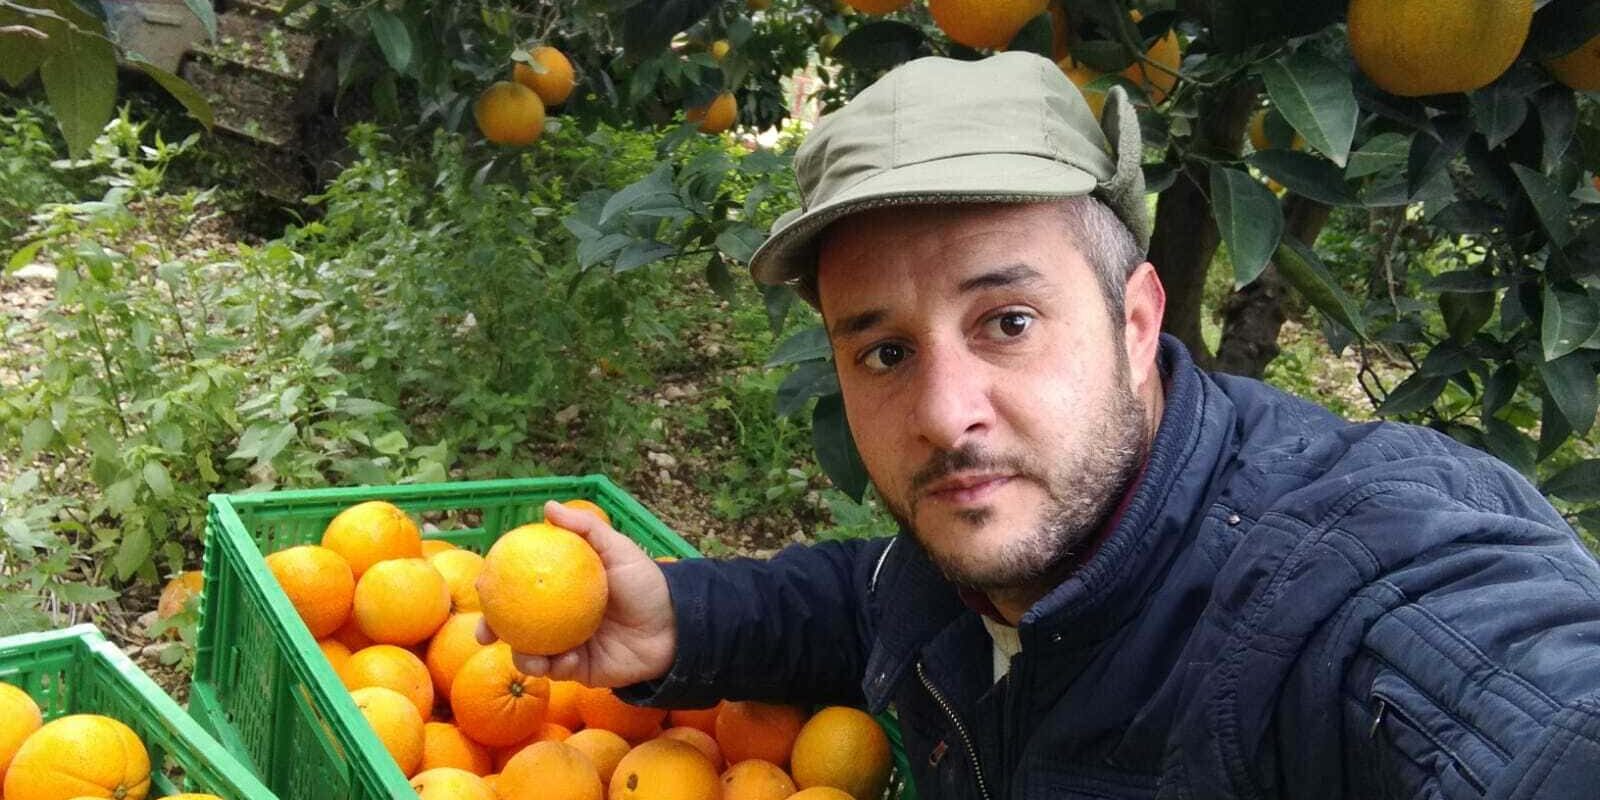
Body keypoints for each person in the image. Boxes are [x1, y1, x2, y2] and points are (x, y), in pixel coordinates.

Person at [482, 53, 1600, 798]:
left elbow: (1518, 703)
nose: (944, 415)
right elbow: (875, 601)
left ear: (1136, 321)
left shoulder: (1347, 590)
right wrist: (678, 618)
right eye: (884, 352)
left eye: (1007, 322)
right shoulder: (998, 538)